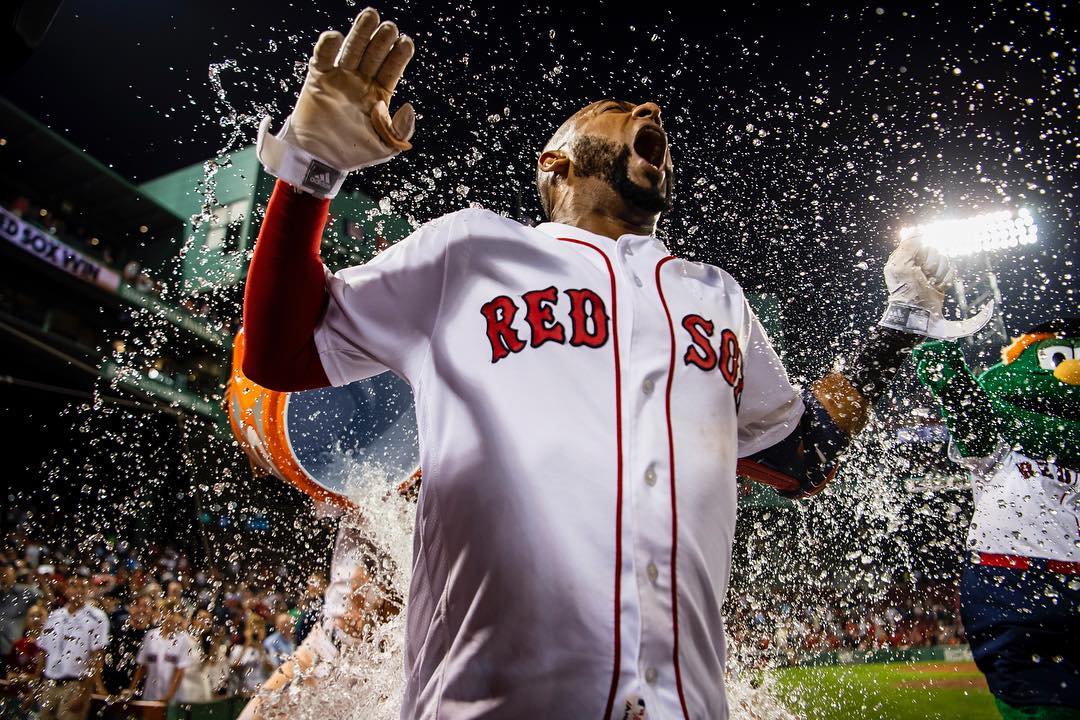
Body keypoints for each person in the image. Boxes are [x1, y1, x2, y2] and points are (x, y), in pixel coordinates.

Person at [242, 9, 956, 718]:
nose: (648, 110)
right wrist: (313, 169)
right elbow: (280, 351)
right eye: (617, 111)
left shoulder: (719, 296)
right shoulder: (470, 249)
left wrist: (899, 327)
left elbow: (805, 455)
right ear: (556, 162)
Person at [913, 319, 1080, 718]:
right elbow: (974, 420)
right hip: (1017, 587)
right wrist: (950, 378)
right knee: (1042, 706)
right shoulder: (1001, 437)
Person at [37, 577, 109, 720]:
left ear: (88, 591)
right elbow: (43, 653)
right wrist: (37, 685)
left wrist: (83, 692)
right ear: (66, 590)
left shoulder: (97, 617)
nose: (78, 590)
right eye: (74, 586)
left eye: (83, 587)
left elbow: (97, 657)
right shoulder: (54, 616)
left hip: (75, 684)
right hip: (49, 683)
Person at [129, 600, 195, 705]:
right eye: (165, 613)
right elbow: (142, 666)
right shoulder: (150, 635)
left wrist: (168, 696)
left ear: (178, 617)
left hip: (173, 699)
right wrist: (132, 689)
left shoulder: (183, 639)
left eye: (173, 614)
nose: (169, 617)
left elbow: (180, 670)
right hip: (150, 695)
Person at [102, 590, 157, 696]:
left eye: (145, 606)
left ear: (152, 611)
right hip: (109, 690)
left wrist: (132, 689)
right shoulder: (115, 629)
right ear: (130, 608)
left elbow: (145, 667)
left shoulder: (154, 635)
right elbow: (101, 659)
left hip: (140, 694)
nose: (141, 610)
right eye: (136, 605)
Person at [0, 563, 43, 671]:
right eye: (1, 573)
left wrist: (42, 582)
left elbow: (43, 601)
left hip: (16, 650)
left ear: (14, 574)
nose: (3, 576)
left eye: (5, 572)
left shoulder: (25, 592)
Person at [228, 616, 272, 697]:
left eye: (259, 628)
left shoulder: (265, 649)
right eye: (253, 628)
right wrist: (247, 644)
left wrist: (259, 647)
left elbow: (270, 669)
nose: (256, 631)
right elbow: (234, 670)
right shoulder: (237, 649)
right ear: (246, 631)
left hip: (261, 692)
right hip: (242, 694)